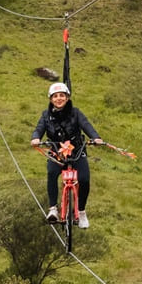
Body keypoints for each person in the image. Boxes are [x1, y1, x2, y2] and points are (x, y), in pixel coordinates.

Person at [30, 82, 102, 229]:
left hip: (76, 151)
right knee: (52, 173)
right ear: (51, 99)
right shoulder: (46, 115)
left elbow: (86, 125)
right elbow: (39, 129)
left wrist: (95, 137)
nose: (59, 99)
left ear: (67, 97)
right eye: (55, 96)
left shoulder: (76, 113)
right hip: (57, 152)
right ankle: (53, 209)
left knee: (84, 179)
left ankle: (81, 212)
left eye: (62, 95)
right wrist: (35, 138)